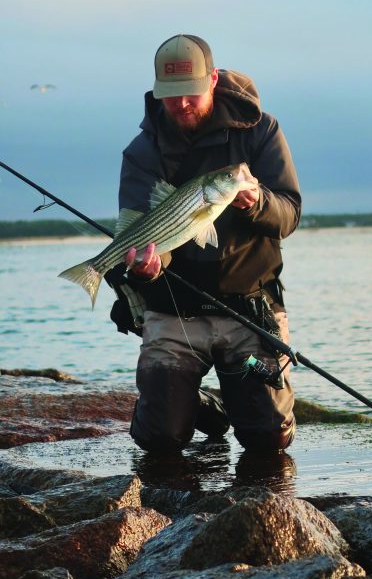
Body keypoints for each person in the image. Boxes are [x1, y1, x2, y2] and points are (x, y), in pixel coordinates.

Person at [116, 33, 301, 454]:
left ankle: (236, 402)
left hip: (250, 309)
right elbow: (136, 232)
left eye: (190, 94)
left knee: (267, 438)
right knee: (160, 439)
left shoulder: (261, 131)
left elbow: (288, 215)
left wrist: (258, 204)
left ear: (212, 80)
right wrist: (144, 265)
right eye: (170, 96)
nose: (180, 104)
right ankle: (195, 403)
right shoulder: (142, 151)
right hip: (173, 308)